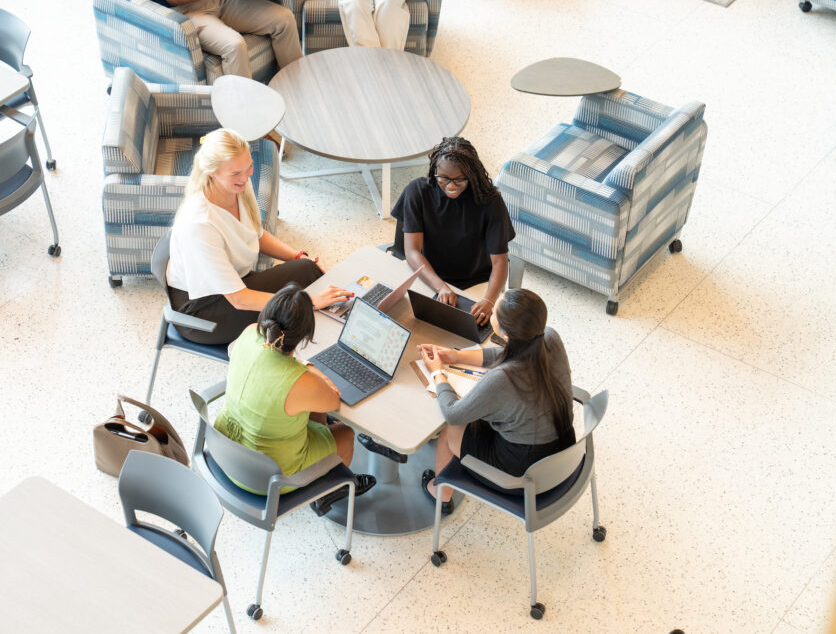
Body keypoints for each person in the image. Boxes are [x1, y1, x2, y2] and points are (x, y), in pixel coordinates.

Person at [166, 129, 350, 344]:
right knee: (299, 311)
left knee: (307, 268)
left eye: (249, 167)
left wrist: (297, 255)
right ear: (211, 172)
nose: (245, 177)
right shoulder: (199, 225)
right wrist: (309, 302)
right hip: (204, 312)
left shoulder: (238, 187)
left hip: (235, 282)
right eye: (235, 173)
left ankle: (333, 334)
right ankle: (311, 356)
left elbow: (255, 233)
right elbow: (240, 299)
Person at [215, 284, 377, 514]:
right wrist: (310, 368)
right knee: (346, 433)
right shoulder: (299, 381)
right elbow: (332, 401)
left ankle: (320, 460)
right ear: (305, 336)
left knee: (310, 409)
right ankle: (327, 492)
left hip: (227, 450)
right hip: (267, 478)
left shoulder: (249, 332)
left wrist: (304, 368)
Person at [418, 289, 574, 515]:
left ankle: (440, 495)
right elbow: (509, 353)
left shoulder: (503, 379)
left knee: (450, 431)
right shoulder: (549, 337)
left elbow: (452, 413)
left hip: (524, 472)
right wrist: (457, 355)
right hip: (563, 452)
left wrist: (437, 373)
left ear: (505, 332)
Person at [390, 137, 516, 327]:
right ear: (435, 171)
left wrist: (489, 301)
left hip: (474, 282)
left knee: (469, 336)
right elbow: (412, 251)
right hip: (428, 275)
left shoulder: (490, 201)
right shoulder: (417, 191)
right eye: (444, 178)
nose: (451, 186)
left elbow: (499, 261)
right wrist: (441, 287)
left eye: (460, 180)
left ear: (472, 174)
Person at [132, 0, 303, 78]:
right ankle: (243, 121)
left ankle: (297, 91)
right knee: (235, 45)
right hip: (184, 14)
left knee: (284, 19)